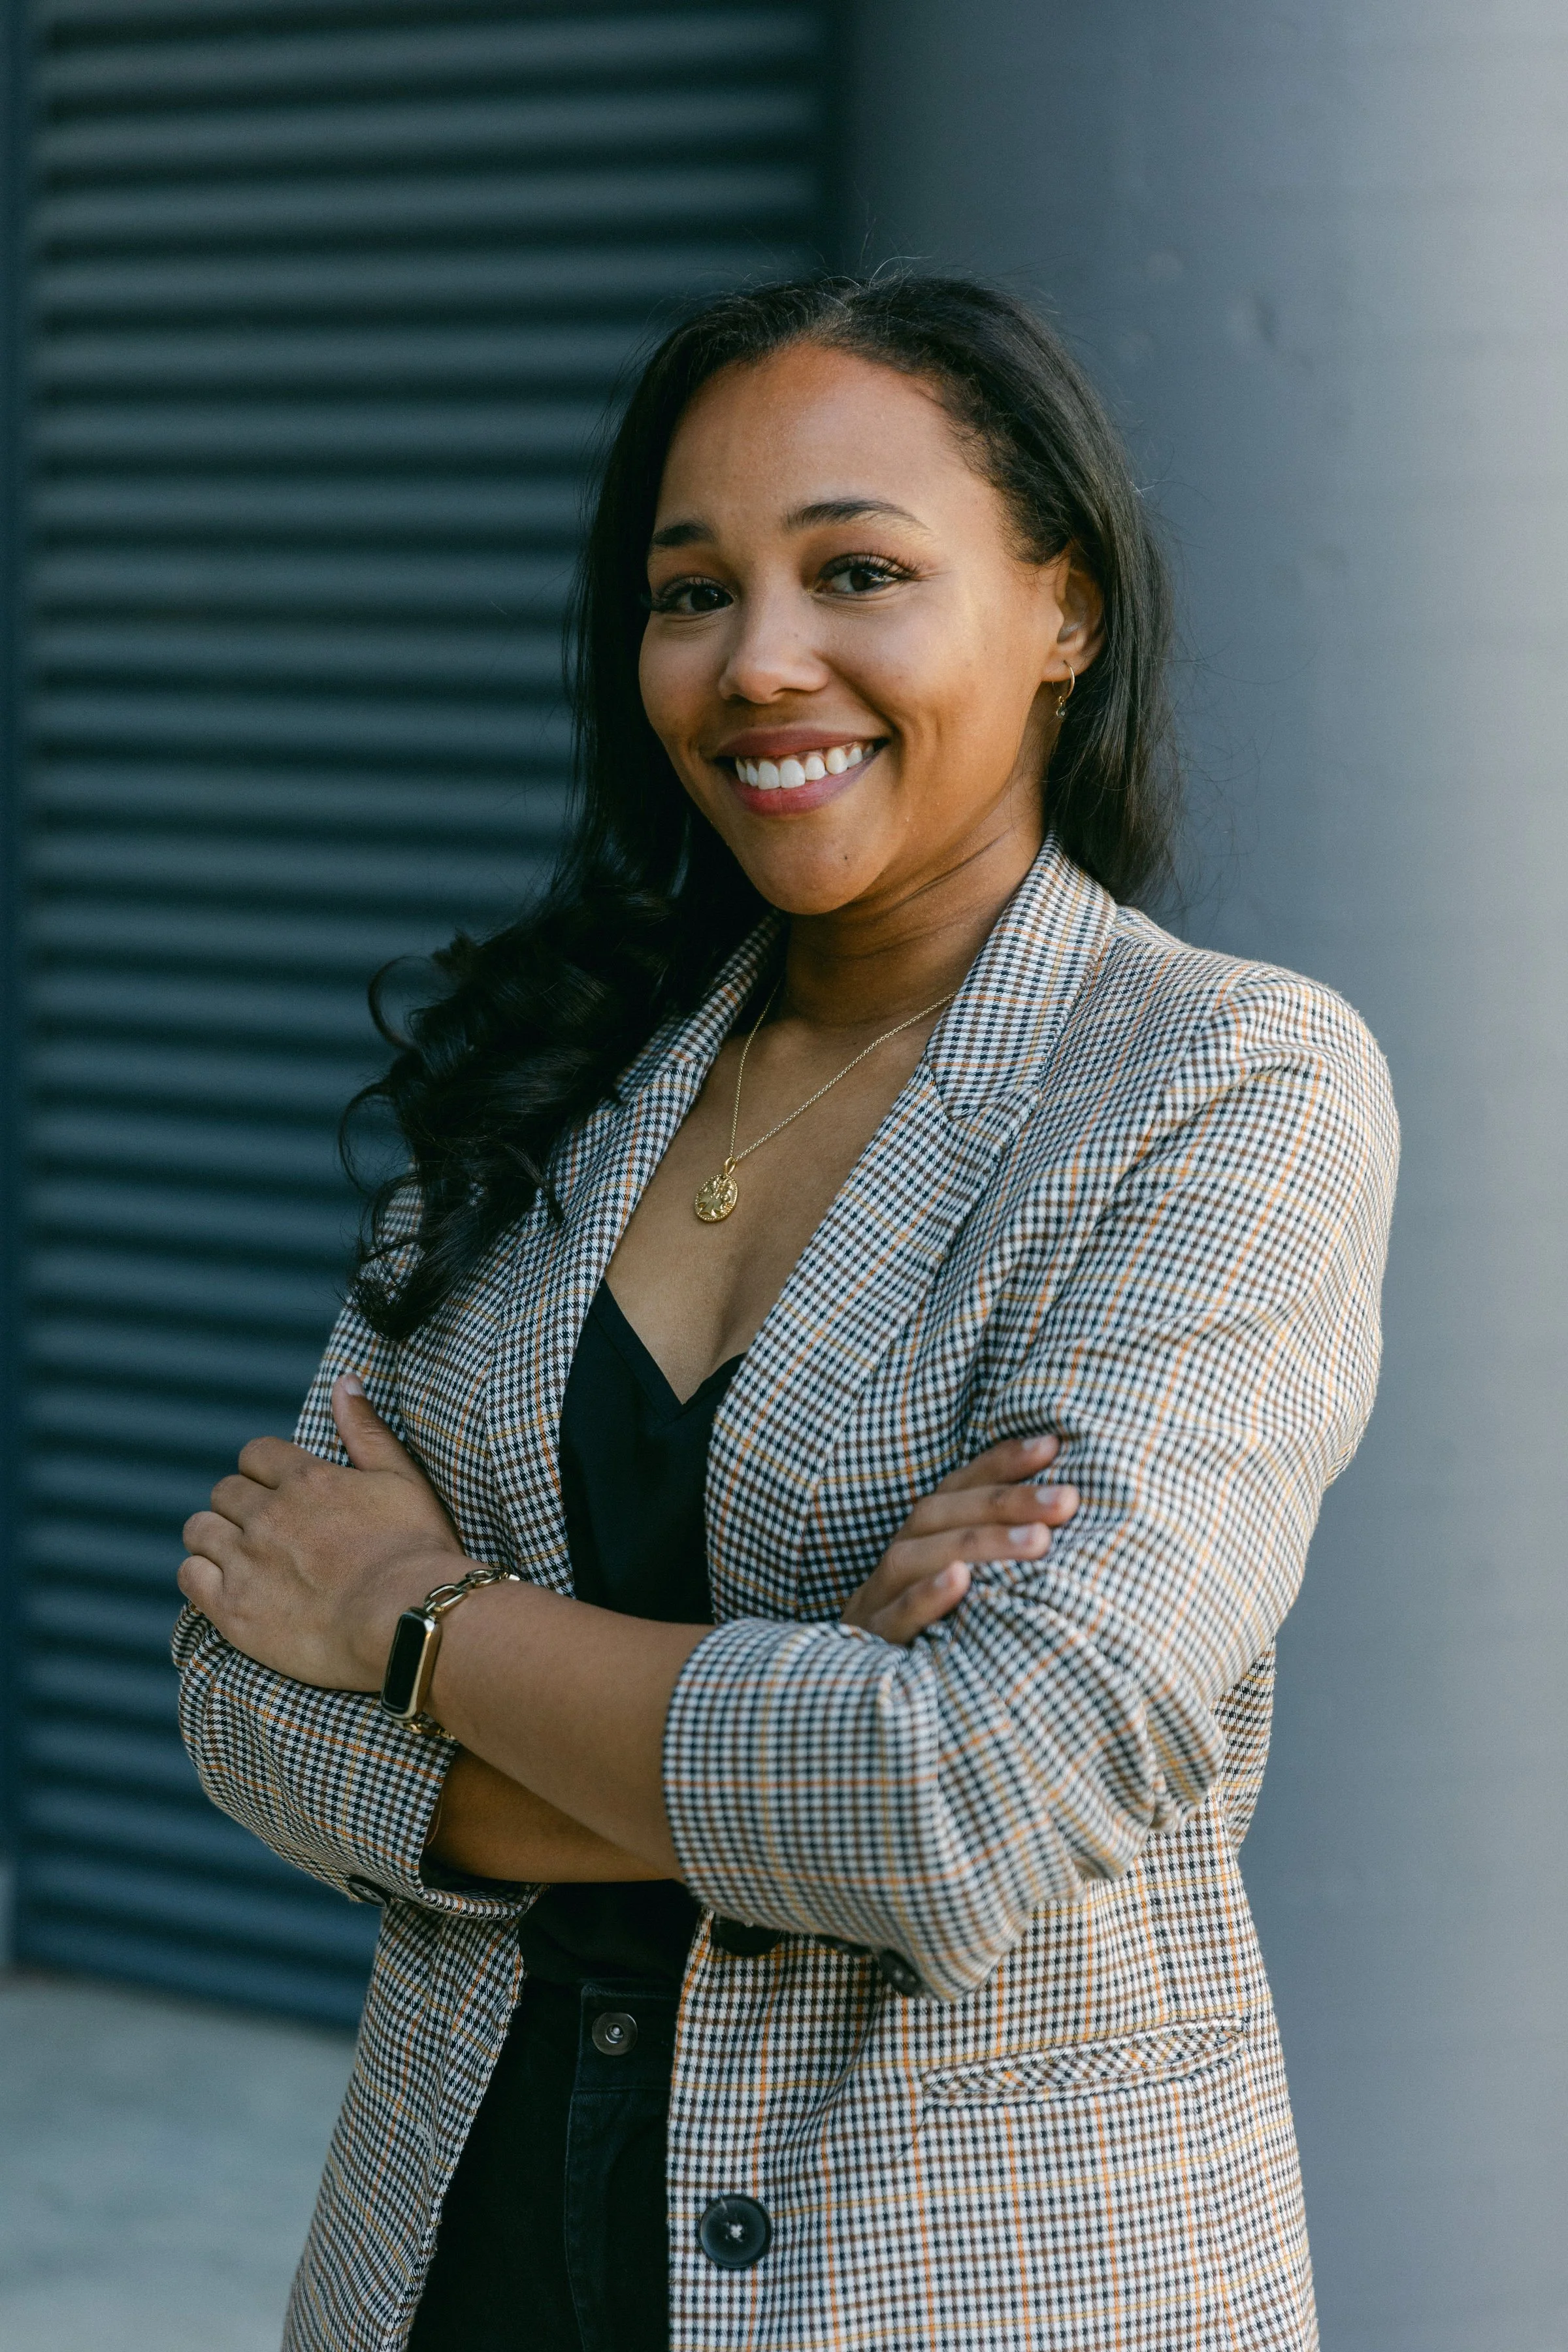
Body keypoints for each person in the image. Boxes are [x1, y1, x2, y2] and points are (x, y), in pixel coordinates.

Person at [173, 274, 1397, 2352]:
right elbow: (241, 1692)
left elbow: (970, 1797)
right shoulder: (557, 1065)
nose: (759, 664)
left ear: (1062, 610)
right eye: (688, 592)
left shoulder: (1215, 1083)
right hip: (454, 2263)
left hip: (981, 2287)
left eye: (859, 571)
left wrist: (424, 1626)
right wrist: (814, 1696)